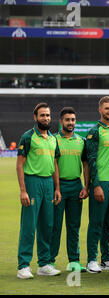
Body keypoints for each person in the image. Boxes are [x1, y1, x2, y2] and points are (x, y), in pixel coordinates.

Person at [16, 102, 62, 279]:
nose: (46, 118)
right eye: (42, 115)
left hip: (48, 184)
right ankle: (23, 266)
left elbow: (55, 164)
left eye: (48, 115)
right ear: (35, 117)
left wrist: (57, 188)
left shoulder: (53, 139)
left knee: (47, 225)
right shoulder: (27, 137)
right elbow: (20, 164)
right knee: (29, 225)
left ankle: (44, 264)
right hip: (33, 182)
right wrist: (23, 190)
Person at [85, 96, 109, 273]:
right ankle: (91, 259)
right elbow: (91, 160)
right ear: (100, 110)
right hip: (101, 184)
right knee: (96, 222)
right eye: (107, 108)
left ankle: (106, 258)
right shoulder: (94, 131)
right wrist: (96, 184)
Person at [50, 107, 89, 273]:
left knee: (74, 226)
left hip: (76, 186)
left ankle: (74, 261)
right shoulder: (53, 140)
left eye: (73, 120)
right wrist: (57, 187)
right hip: (58, 187)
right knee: (55, 226)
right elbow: (54, 164)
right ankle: (49, 262)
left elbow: (86, 164)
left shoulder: (81, 141)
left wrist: (86, 186)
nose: (71, 123)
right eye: (67, 120)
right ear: (61, 122)